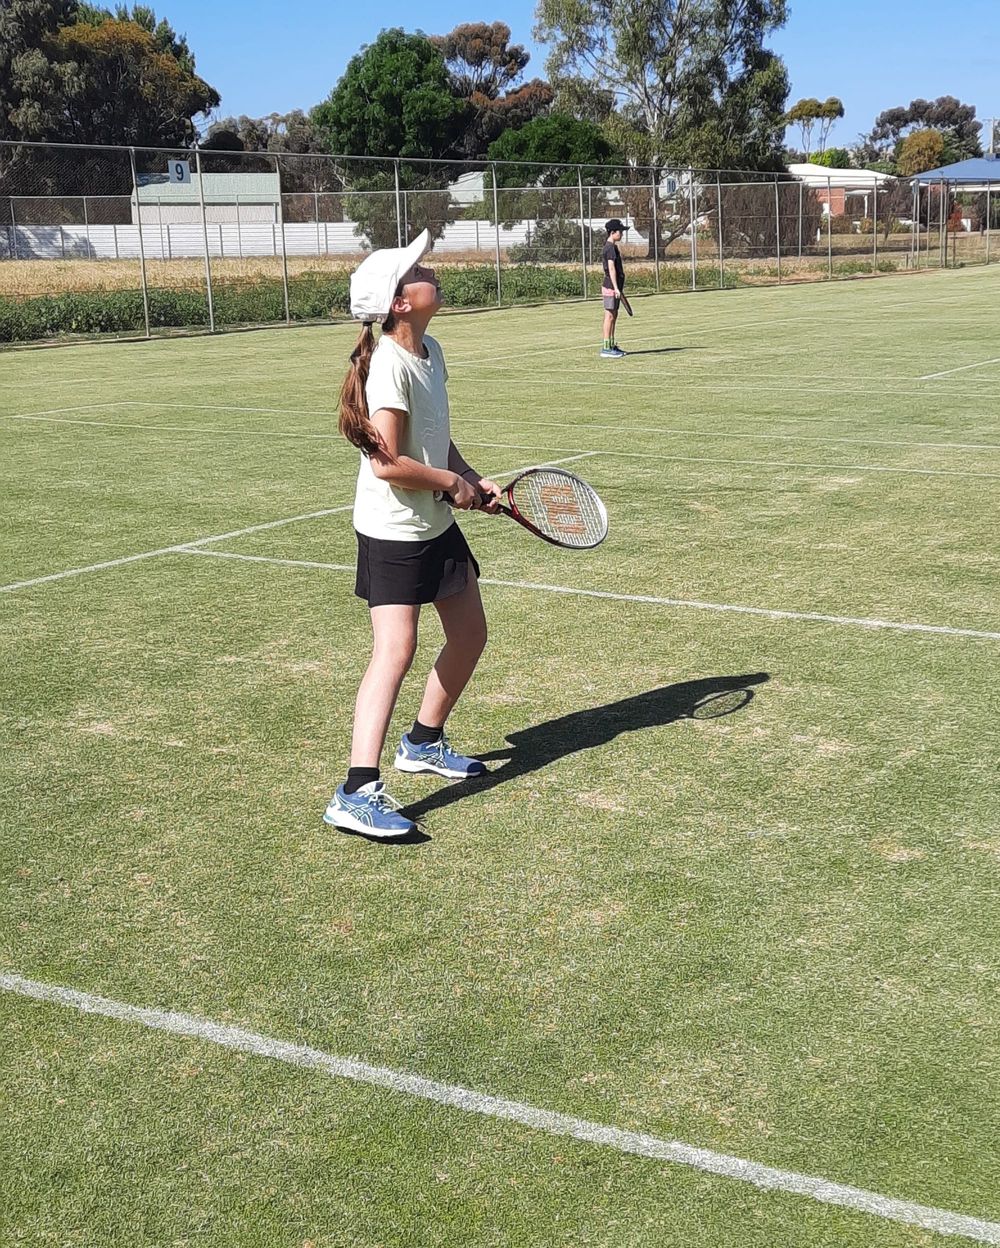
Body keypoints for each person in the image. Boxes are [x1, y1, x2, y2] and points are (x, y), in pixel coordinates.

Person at [324, 229, 502, 840]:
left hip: (434, 521)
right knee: (395, 650)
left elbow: (434, 437)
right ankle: (355, 792)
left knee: (470, 634)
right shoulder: (388, 367)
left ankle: (423, 741)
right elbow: (387, 464)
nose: (431, 271)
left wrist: (469, 477)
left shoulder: (432, 352)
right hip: (393, 529)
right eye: (417, 271)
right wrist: (450, 483)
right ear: (400, 303)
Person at [600, 218, 628, 359]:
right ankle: (606, 348)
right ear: (612, 232)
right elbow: (611, 269)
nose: (621, 234)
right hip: (610, 287)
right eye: (620, 232)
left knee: (614, 316)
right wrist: (616, 288)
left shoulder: (613, 247)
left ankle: (611, 345)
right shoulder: (609, 248)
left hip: (615, 287)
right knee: (609, 316)